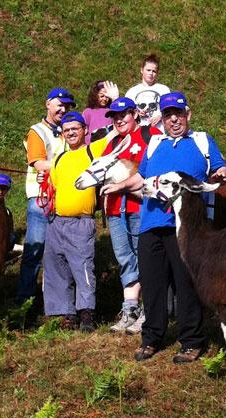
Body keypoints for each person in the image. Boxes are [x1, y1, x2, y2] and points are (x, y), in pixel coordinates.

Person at [102, 91, 226, 363]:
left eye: (178, 114)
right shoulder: (155, 143)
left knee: (186, 284)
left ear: (188, 115)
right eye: (169, 114)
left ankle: (191, 341)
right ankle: (151, 338)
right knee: (152, 284)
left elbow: (220, 168)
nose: (174, 119)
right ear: (162, 118)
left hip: (186, 228)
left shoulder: (202, 141)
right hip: (150, 224)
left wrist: (221, 174)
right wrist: (119, 186)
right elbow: (141, 178)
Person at [42, 111, 110, 331]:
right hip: (56, 222)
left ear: (85, 130)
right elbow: (54, 185)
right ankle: (65, 314)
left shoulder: (92, 150)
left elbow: (117, 133)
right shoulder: (59, 158)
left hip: (81, 222)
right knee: (56, 268)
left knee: (83, 267)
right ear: (62, 134)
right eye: (67, 130)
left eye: (75, 128)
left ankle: (87, 314)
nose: (71, 133)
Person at [101, 96, 151, 334]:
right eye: (115, 117)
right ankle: (130, 308)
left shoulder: (149, 136)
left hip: (141, 207)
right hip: (115, 208)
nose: (119, 120)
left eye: (124, 115)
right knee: (124, 259)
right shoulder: (112, 143)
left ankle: (149, 309)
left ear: (135, 114)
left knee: (146, 258)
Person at [20, 87, 75, 306]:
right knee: (35, 249)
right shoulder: (37, 131)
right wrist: (71, 166)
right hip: (40, 199)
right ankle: (25, 300)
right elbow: (38, 163)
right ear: (47, 104)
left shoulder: (67, 130)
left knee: (59, 252)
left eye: (67, 106)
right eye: (60, 105)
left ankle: (56, 301)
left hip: (63, 197)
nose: (64, 109)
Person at [125, 53, 171, 131]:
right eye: (148, 70)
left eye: (154, 71)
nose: (151, 73)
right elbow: (126, 114)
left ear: (157, 73)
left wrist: (160, 116)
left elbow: (170, 109)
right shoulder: (132, 92)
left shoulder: (164, 90)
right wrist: (136, 113)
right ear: (142, 70)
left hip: (160, 131)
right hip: (138, 132)